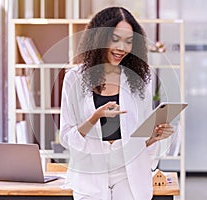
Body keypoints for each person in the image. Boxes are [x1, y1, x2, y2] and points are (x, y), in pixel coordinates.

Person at [59, 7, 174, 200]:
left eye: (129, 42)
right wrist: (95, 117)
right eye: (116, 39)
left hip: (128, 175)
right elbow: (66, 137)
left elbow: (140, 138)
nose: (122, 48)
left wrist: (155, 137)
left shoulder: (140, 79)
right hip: (90, 176)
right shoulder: (74, 79)